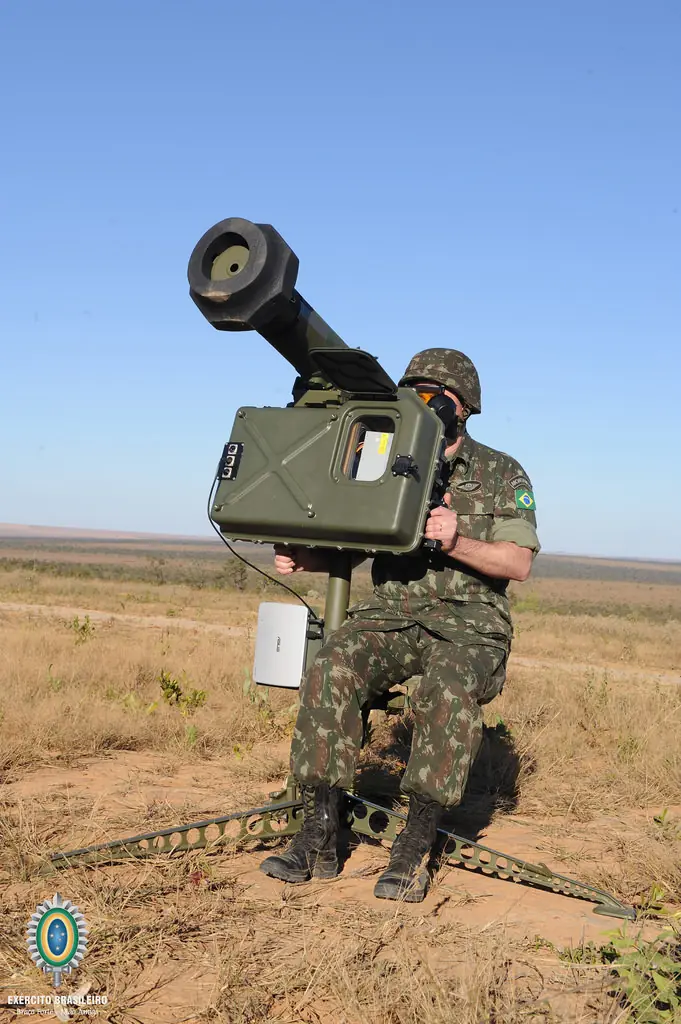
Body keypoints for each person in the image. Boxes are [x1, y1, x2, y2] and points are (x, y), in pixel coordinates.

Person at [259, 348, 540, 901]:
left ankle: (416, 839)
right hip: (392, 614)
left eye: (440, 397)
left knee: (446, 687)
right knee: (332, 663)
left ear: (465, 410)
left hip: (470, 623)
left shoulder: (501, 472)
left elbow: (519, 562)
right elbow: (358, 544)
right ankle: (319, 827)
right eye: (416, 394)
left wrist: (457, 541)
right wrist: (304, 558)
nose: (426, 406)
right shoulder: (384, 460)